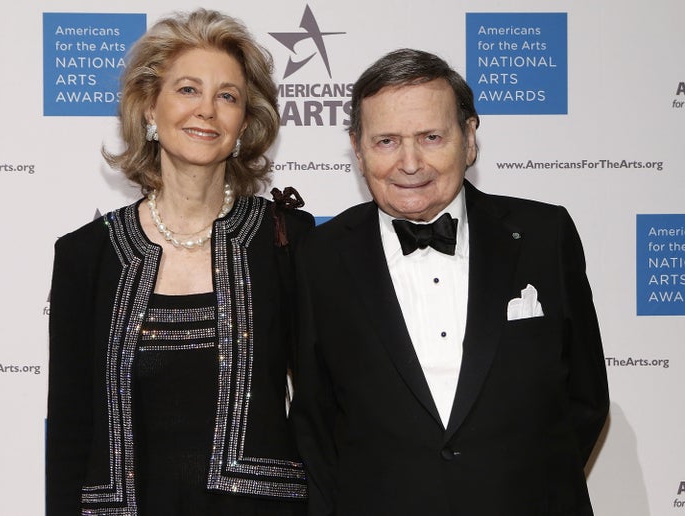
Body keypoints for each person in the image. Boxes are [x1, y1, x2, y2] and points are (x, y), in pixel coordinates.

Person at [291, 48, 609, 515]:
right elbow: (314, 421)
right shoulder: (318, 255)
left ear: (469, 137)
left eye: (431, 137)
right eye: (386, 142)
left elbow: (585, 396)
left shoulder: (545, 234)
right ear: (357, 150)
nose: (410, 163)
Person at [46, 9, 312, 515]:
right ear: (149, 107)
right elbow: (69, 430)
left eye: (227, 96)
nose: (207, 111)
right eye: (188, 89)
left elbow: (323, 412)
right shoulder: (87, 255)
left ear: (246, 121)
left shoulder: (287, 241)